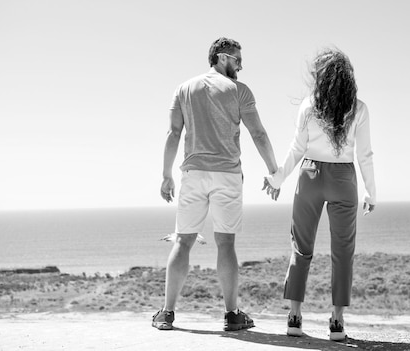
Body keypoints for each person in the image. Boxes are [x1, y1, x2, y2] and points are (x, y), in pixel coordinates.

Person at [152, 37, 279, 331]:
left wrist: (166, 174)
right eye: (237, 59)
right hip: (227, 175)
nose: (241, 66)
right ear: (222, 58)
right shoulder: (240, 91)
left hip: (193, 174)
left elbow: (173, 133)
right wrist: (274, 171)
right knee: (226, 243)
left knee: (183, 241)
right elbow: (258, 133)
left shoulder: (184, 89)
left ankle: (166, 314)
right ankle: (232, 315)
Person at [263, 48, 376, 341]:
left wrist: (277, 179)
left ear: (321, 77)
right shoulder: (359, 108)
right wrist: (371, 193)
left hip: (310, 174)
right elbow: (365, 155)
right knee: (343, 252)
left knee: (301, 248)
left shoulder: (309, 105)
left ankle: (294, 317)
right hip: (343, 178)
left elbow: (296, 148)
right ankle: (337, 322)